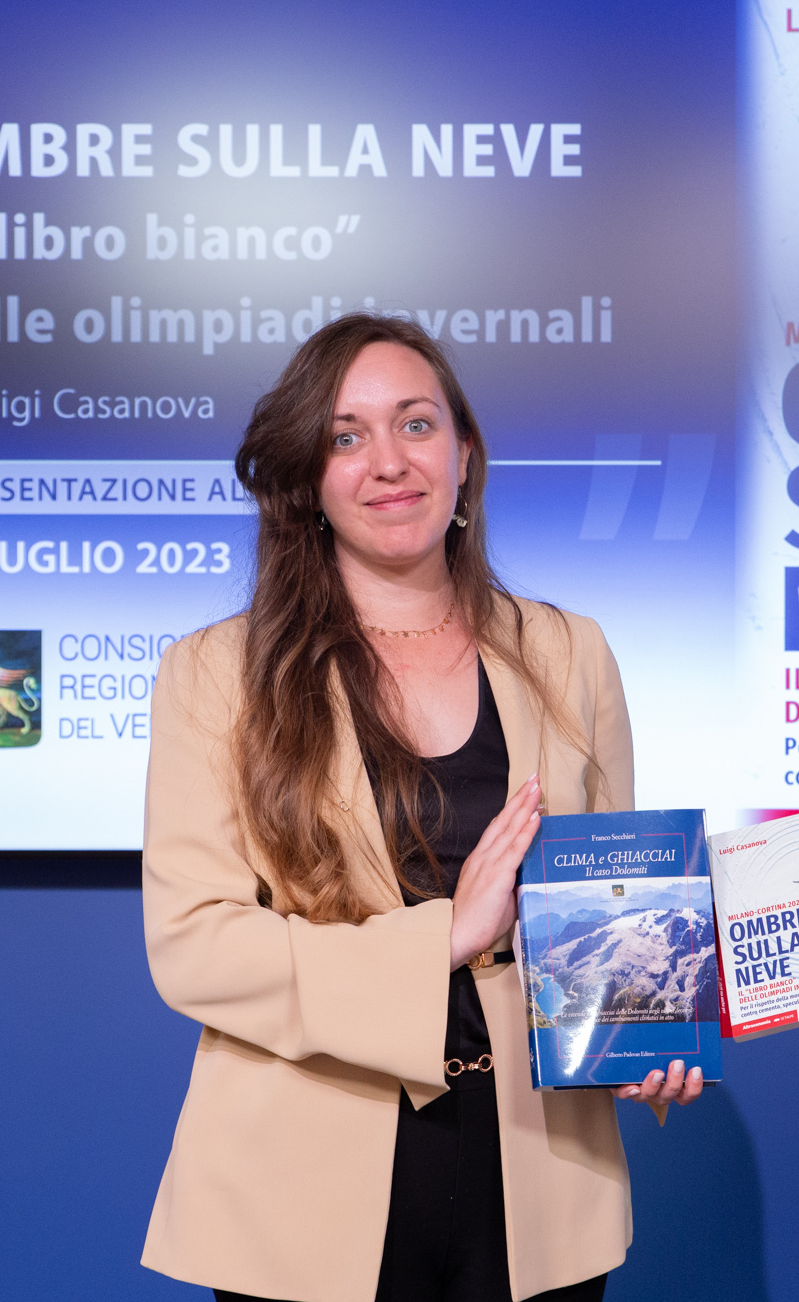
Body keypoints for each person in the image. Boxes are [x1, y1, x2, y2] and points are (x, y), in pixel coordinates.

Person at [140, 313, 700, 1302]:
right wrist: (444, 936)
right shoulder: (214, 673)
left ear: (464, 453)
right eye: (346, 436)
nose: (389, 461)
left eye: (415, 424)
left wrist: (641, 1037)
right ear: (309, 479)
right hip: (299, 1184)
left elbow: (613, 906)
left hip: (539, 1175)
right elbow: (195, 946)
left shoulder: (572, 652)